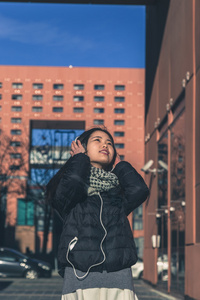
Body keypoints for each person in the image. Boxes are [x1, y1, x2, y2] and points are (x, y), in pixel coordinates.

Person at [46, 126, 149, 300]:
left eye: (109, 143)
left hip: (119, 278)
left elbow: (139, 190)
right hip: (80, 276)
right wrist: (79, 159)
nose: (105, 145)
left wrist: (120, 165)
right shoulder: (72, 194)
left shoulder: (117, 195)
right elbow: (72, 183)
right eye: (97, 140)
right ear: (82, 147)